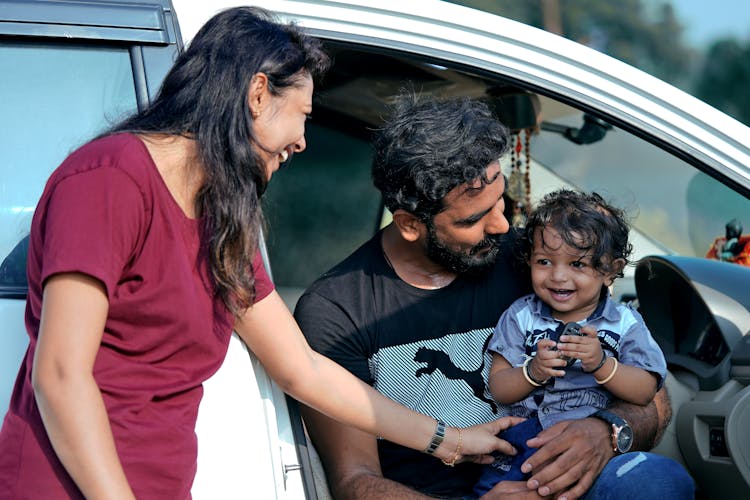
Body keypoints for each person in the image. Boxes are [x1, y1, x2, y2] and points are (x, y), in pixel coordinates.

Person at [0, 8, 521, 499]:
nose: (300, 142)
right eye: (302, 115)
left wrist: (447, 439)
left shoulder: (220, 217)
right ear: (257, 94)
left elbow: (303, 370)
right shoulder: (111, 178)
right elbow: (61, 375)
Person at [295, 94, 694, 499]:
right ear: (410, 224)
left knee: (659, 482)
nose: (503, 225)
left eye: (500, 200)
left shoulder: (538, 264)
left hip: (571, 485)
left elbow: (653, 394)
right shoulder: (338, 311)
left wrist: (606, 432)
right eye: (474, 218)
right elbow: (354, 482)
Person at [473, 189, 669, 497]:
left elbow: (646, 390)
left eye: (578, 264)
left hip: (587, 445)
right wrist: (532, 372)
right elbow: (498, 387)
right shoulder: (521, 315)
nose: (558, 276)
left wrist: (602, 365)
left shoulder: (624, 324)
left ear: (611, 271)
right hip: (520, 445)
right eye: (544, 261)